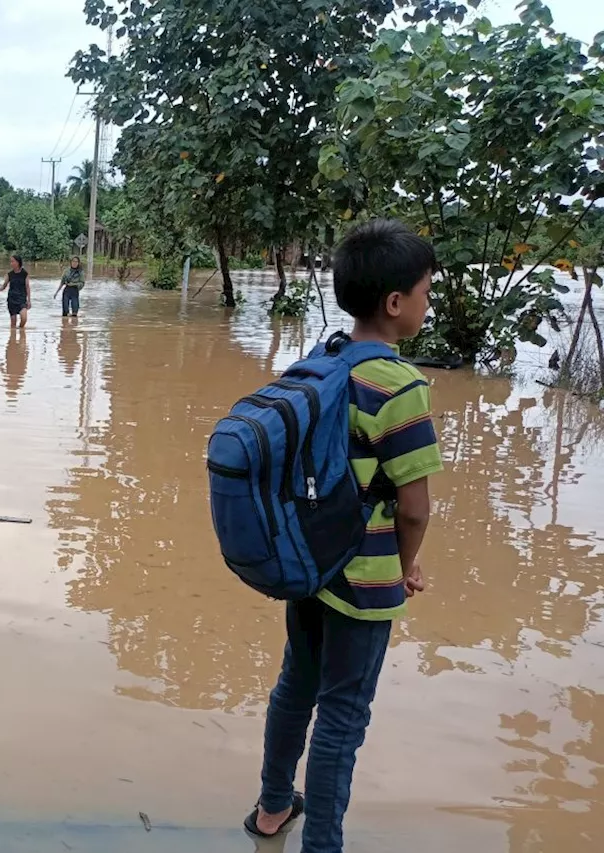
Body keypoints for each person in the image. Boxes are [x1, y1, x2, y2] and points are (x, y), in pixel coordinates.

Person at [247, 219, 443, 852]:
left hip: (308, 565)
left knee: (294, 689)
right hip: (363, 578)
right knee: (342, 717)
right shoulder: (400, 385)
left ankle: (274, 808)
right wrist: (407, 567)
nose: (427, 302)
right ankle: (323, 845)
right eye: (426, 291)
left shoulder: (315, 362)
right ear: (395, 303)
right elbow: (413, 507)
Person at [0, 254, 31, 328]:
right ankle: (13, 337)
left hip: (22, 299)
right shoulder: (9, 274)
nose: (11, 263)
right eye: (10, 262)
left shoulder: (25, 274)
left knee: (24, 318)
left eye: (12, 261)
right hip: (12, 299)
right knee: (13, 323)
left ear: (18, 262)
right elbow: (4, 285)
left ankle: (21, 330)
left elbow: (27, 287)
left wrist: (29, 300)